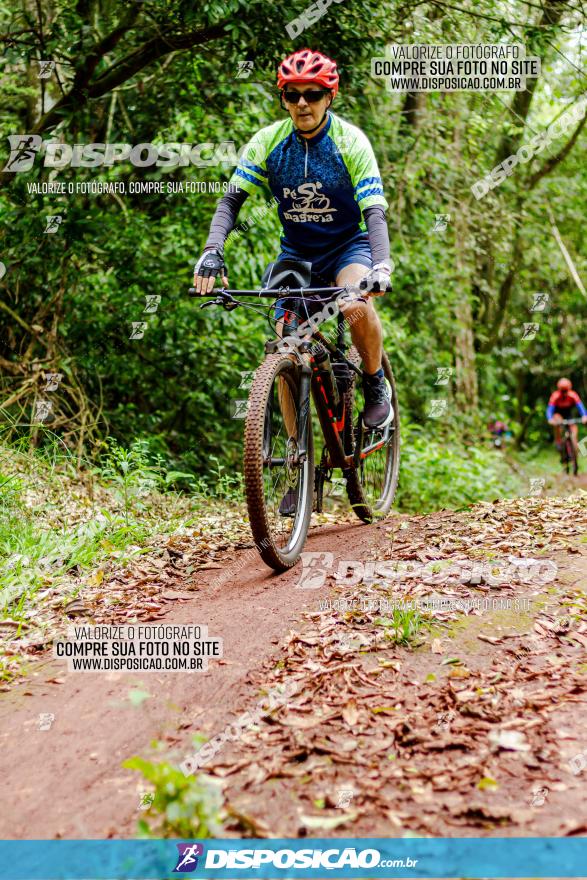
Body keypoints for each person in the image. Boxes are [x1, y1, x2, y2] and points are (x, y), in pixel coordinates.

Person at [193, 49, 393, 432]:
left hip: (348, 246)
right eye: (293, 94)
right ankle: (294, 457)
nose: (303, 103)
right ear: (283, 99)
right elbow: (231, 200)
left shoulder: (351, 142)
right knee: (286, 346)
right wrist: (212, 251)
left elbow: (374, 211)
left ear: (329, 97)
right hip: (298, 255)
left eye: (313, 94)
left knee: (353, 303)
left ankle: (374, 382)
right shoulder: (268, 141)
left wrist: (381, 263)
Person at [546, 378, 587, 457]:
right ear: (559, 389)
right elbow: (549, 410)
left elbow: (581, 407)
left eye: (566, 391)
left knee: (574, 431)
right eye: (562, 391)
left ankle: (574, 449)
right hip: (558, 415)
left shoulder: (573, 395)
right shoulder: (555, 396)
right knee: (557, 422)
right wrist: (550, 419)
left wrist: (584, 416)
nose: (564, 393)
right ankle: (558, 442)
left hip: (568, 415)